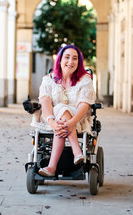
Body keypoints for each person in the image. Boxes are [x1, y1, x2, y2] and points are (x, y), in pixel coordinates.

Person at [31, 44, 96, 177]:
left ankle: (51, 167)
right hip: (52, 118)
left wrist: (71, 122)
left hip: (78, 118)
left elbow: (84, 105)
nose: (70, 62)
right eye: (67, 57)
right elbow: (45, 102)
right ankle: (77, 151)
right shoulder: (48, 80)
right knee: (61, 109)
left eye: (75, 58)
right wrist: (52, 123)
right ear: (60, 60)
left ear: (79, 62)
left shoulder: (85, 80)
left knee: (62, 109)